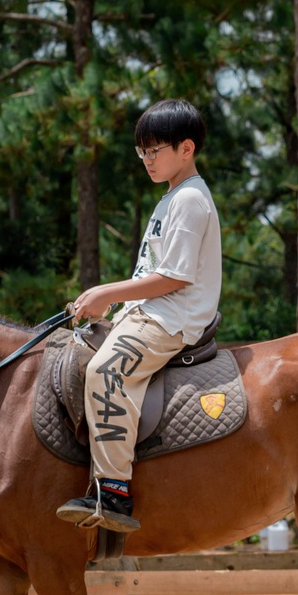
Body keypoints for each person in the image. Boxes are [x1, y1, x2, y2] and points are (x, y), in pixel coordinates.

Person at [57, 98, 222, 533]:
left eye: (154, 151)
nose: (147, 160)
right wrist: (115, 302)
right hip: (150, 311)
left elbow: (174, 277)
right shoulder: (171, 197)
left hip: (171, 319)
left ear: (186, 148)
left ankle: (113, 491)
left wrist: (108, 292)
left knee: (105, 372)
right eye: (142, 151)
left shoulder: (190, 199)